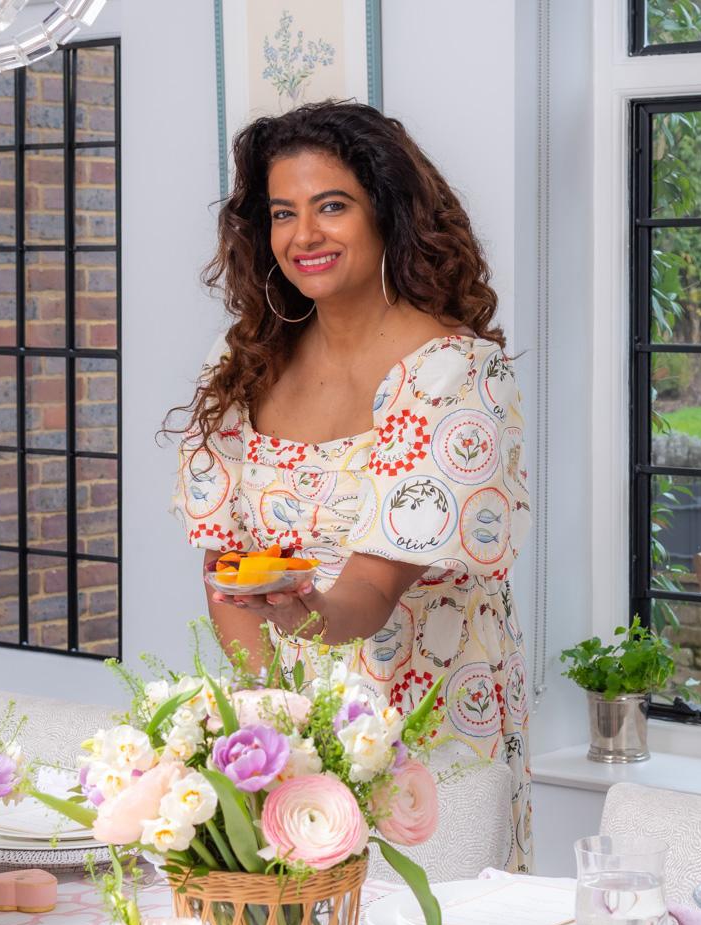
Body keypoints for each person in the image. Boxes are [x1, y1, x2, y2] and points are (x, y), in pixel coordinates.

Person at [168, 100, 534, 869]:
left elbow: (368, 594)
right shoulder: (243, 361)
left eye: (332, 206)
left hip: (429, 727)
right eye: (282, 213)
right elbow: (225, 564)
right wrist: (276, 730)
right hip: (294, 733)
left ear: (387, 215)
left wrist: (305, 618)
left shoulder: (452, 374)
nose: (305, 235)